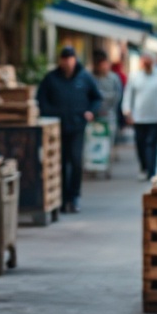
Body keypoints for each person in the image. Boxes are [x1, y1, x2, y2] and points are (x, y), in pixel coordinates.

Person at [36, 46, 102, 213]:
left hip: (77, 126)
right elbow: (41, 99)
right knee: (61, 163)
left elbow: (97, 98)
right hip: (56, 128)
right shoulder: (51, 78)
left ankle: (74, 196)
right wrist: (49, 113)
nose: (67, 62)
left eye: (70, 58)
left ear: (75, 59)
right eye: (64, 58)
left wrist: (90, 112)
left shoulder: (85, 77)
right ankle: (63, 198)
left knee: (76, 161)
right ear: (60, 60)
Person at [122, 51, 157, 180]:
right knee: (140, 144)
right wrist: (127, 110)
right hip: (139, 117)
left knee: (151, 144)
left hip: (156, 117)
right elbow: (129, 94)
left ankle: (151, 170)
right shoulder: (135, 76)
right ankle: (144, 166)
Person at [91, 49, 123, 148]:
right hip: (95, 115)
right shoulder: (92, 78)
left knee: (108, 140)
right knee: (95, 140)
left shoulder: (114, 78)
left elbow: (118, 96)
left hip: (110, 114)